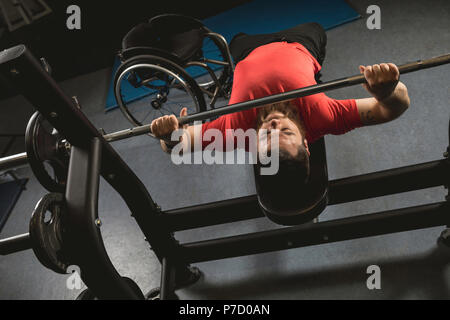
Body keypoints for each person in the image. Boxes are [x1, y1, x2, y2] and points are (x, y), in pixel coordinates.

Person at [150, 22, 410, 211]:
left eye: (266, 136)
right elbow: (392, 108)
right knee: (317, 27)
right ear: (307, 143)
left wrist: (169, 135)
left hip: (247, 48)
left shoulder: (236, 132)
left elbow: (177, 146)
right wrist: (387, 90)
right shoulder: (324, 117)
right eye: (285, 132)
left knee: (237, 36)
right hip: (302, 40)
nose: (273, 125)